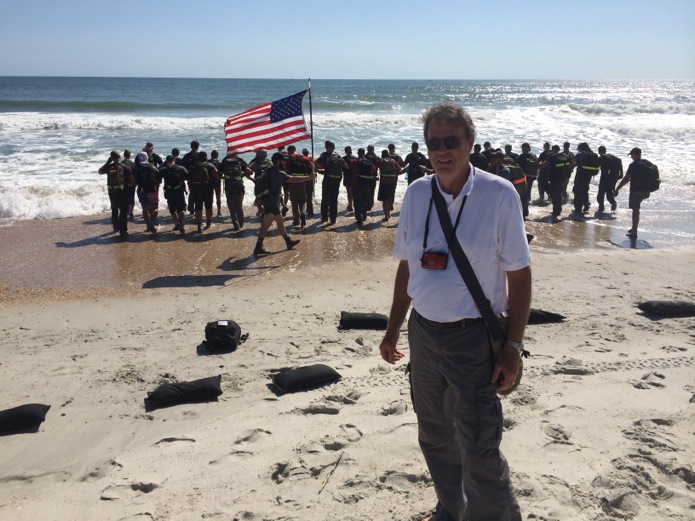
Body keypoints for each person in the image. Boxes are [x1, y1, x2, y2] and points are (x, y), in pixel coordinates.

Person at [379, 102, 531, 521]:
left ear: (470, 143)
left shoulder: (499, 194)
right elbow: (408, 266)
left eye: (451, 141)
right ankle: (450, 507)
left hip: (473, 338)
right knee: (434, 435)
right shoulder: (415, 192)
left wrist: (513, 346)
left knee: (480, 444)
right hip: (424, 335)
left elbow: (520, 276)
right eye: (434, 143)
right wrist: (393, 329)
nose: (443, 150)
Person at [253, 152, 308, 255]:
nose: (284, 163)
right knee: (265, 226)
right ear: (278, 161)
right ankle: (258, 248)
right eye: (283, 161)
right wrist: (308, 177)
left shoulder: (269, 170)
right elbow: (293, 179)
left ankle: (288, 241)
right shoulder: (278, 173)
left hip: (269, 202)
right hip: (272, 204)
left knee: (280, 222)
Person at [614, 147, 654, 239]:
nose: (631, 157)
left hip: (636, 190)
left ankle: (634, 232)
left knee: (635, 210)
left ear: (635, 155)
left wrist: (617, 188)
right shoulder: (647, 163)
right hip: (646, 191)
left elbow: (626, 179)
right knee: (637, 209)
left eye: (631, 155)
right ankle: (633, 228)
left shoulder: (633, 165)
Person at [98, 150, 131, 238]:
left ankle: (116, 227)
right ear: (119, 157)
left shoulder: (109, 167)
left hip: (111, 192)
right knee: (124, 211)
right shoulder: (124, 166)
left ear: (111, 158)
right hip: (122, 192)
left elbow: (100, 171)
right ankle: (123, 231)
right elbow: (131, 178)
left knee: (114, 209)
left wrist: (108, 162)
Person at [315, 140, 347, 225]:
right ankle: (333, 219)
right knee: (334, 200)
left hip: (327, 180)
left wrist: (316, 170)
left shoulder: (324, 155)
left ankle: (324, 218)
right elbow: (346, 166)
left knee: (325, 199)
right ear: (334, 148)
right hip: (337, 180)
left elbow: (316, 162)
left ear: (327, 147)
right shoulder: (338, 156)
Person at [220, 150, 253, 230]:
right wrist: (242, 176)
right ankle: (241, 224)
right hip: (239, 186)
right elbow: (250, 172)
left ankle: (236, 225)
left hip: (229, 187)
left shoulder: (224, 162)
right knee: (239, 206)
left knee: (231, 207)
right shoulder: (239, 161)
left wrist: (225, 177)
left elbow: (218, 174)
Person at [188, 151, 218, 233]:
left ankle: (199, 226)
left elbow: (188, 177)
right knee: (208, 207)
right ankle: (208, 222)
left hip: (196, 189)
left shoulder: (193, 166)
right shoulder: (210, 165)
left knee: (198, 207)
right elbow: (216, 174)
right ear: (206, 156)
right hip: (208, 189)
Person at [540, 144, 571, 221]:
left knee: (555, 194)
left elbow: (542, 165)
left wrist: (534, 167)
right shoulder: (565, 156)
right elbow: (573, 164)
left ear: (553, 150)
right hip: (563, 178)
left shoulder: (552, 157)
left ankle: (556, 212)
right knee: (558, 193)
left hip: (555, 179)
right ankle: (558, 210)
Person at [285, 144, 314, 227]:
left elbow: (286, 170)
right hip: (302, 181)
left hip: (292, 182)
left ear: (290, 151)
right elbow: (312, 165)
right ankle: (303, 213)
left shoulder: (289, 159)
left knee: (294, 202)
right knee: (302, 200)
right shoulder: (303, 158)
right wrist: (311, 176)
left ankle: (296, 220)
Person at [159, 154, 188, 234]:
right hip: (179, 191)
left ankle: (176, 224)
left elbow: (157, 176)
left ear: (167, 161)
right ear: (174, 160)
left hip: (169, 191)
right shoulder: (180, 168)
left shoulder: (164, 169)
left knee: (172, 210)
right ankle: (180, 222)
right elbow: (187, 176)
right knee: (183, 209)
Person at [134, 151, 162, 234]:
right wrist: (157, 187)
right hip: (152, 190)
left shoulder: (136, 167)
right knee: (155, 208)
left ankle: (148, 225)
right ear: (147, 158)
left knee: (145, 209)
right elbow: (159, 178)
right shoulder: (152, 167)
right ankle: (151, 223)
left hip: (141, 190)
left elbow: (133, 179)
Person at [350, 148, 378, 226]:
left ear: (358, 153)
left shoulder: (355, 161)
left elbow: (350, 168)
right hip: (366, 184)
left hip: (356, 183)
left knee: (357, 201)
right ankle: (364, 216)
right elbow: (374, 170)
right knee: (364, 200)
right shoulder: (369, 162)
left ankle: (359, 219)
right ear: (364, 153)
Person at [572, 142, 600, 215]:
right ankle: (586, 205)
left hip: (580, 175)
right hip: (588, 176)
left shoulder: (580, 155)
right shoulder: (594, 155)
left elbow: (573, 164)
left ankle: (578, 209)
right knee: (585, 190)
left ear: (581, 148)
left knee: (577, 190)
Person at [597, 145, 622, 213]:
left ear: (599, 151)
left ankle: (601, 208)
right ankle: (613, 204)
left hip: (605, 178)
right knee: (609, 193)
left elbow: (596, 166)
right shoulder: (613, 157)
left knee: (600, 194)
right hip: (614, 178)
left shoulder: (602, 158)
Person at [182, 141, 201, 214]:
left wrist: (185, 177)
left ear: (191, 146)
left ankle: (191, 209)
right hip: (200, 178)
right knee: (198, 193)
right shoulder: (200, 155)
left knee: (192, 193)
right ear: (198, 146)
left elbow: (183, 167)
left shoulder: (186, 156)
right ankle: (197, 208)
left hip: (190, 178)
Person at [302, 147, 316, 216]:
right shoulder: (311, 159)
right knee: (310, 195)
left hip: (304, 179)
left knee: (304, 195)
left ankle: (305, 210)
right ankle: (310, 210)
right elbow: (314, 168)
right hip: (310, 179)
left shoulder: (302, 160)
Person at [342, 146, 356, 212]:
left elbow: (341, 169)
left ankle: (350, 205)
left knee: (349, 192)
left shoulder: (343, 159)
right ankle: (353, 204)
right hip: (355, 177)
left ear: (345, 151)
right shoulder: (355, 158)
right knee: (354, 192)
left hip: (347, 177)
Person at [209, 149, 223, 217]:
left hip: (209, 181)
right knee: (218, 197)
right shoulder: (220, 162)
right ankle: (219, 211)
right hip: (217, 180)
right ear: (217, 156)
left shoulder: (208, 162)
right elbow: (222, 172)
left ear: (211, 155)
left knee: (210, 197)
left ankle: (210, 211)